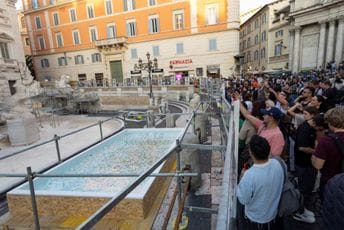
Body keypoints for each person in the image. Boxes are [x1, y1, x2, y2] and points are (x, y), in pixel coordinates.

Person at [237, 135, 284, 230]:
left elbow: (243, 199)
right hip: (273, 214)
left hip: (256, 220)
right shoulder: (279, 163)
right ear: (268, 150)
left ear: (251, 153)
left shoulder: (249, 175)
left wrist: (241, 179)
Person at [293, 106, 318, 224]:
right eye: (304, 113)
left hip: (306, 164)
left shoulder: (310, 128)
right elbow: (302, 147)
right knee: (304, 188)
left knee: (306, 188)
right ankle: (300, 211)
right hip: (304, 164)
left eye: (305, 113)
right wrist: (317, 151)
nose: (304, 115)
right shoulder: (305, 129)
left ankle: (303, 209)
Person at [312, 106, 344, 198]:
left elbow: (317, 165)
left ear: (330, 122)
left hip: (331, 182)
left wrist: (315, 151)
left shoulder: (326, 141)